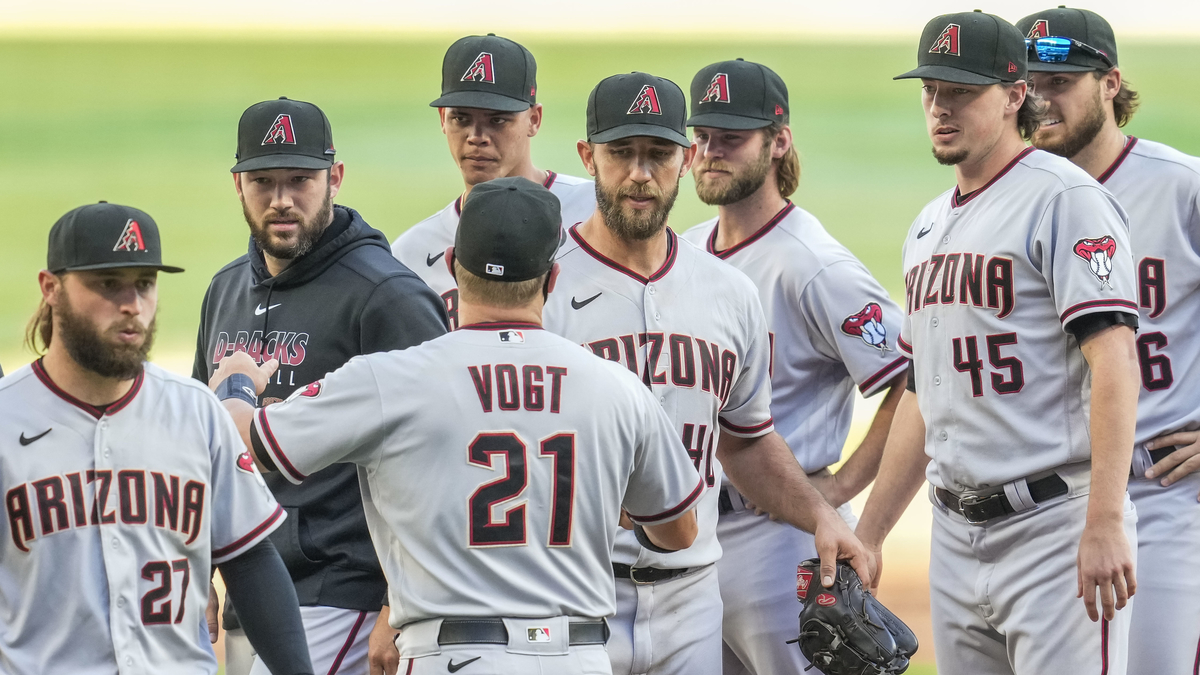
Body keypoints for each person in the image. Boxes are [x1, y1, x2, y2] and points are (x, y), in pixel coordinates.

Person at [210, 177, 701, 675]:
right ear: (551, 280)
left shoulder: (393, 379)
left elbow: (244, 439)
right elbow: (679, 532)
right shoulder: (616, 388)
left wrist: (237, 383)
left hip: (453, 656)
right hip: (579, 658)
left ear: (451, 268)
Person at [544, 70, 873, 675]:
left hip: (692, 596)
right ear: (588, 156)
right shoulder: (545, 288)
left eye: (659, 154)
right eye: (621, 153)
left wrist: (822, 514)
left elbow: (745, 440)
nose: (640, 173)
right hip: (574, 597)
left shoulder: (729, 292)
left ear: (686, 158)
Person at [855, 11, 1141, 674]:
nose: (939, 107)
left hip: (1054, 528)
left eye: (960, 91)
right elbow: (923, 396)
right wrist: (869, 535)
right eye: (931, 90)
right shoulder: (926, 226)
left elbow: (1115, 361)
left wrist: (1103, 520)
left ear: (1015, 96)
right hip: (955, 534)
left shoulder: (1064, 198)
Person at [192, 97, 447, 675]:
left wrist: (397, 603)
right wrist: (196, 564)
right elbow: (202, 445)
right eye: (263, 181)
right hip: (251, 586)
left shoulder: (387, 297)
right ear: (238, 184)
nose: (281, 199)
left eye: (300, 180)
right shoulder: (226, 288)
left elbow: (437, 459)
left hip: (344, 592)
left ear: (334, 177)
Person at [1, 202, 312, 675]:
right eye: (108, 285)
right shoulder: (7, 418)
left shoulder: (194, 411)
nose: (132, 305)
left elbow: (250, 562)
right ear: (51, 290)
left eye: (144, 284)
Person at [680, 58, 909, 674]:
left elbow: (912, 385)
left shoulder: (813, 265)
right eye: (701, 136)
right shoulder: (687, 251)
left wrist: (838, 491)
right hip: (691, 537)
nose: (709, 152)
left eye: (730, 138)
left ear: (778, 142)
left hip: (781, 542)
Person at [1017, 6, 1200, 670]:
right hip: (1045, 502)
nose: (1039, 99)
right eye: (1027, 82)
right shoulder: (1008, 197)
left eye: (1060, 81)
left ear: (1110, 84)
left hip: (1159, 490)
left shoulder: (1181, 187)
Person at [392, 33, 595, 330]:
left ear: (534, 120)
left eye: (497, 120)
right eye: (461, 119)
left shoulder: (596, 211)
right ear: (442, 119)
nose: (477, 137)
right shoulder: (411, 253)